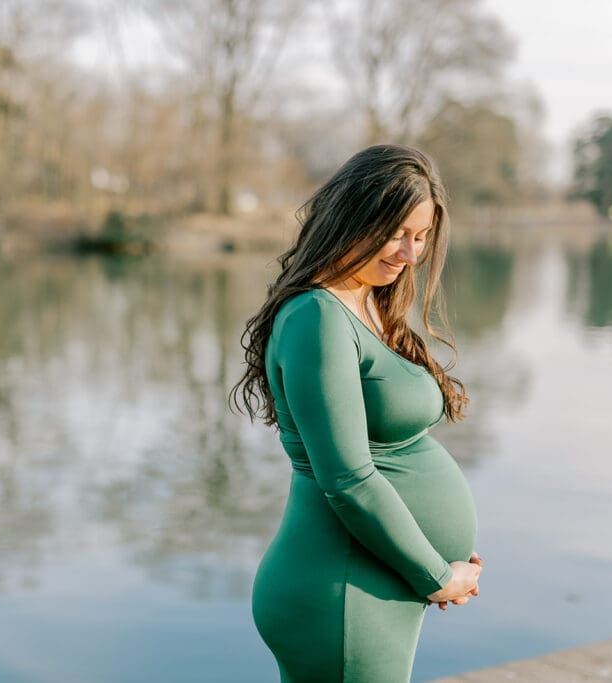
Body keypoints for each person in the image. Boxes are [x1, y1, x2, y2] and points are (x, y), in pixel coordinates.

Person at [229, 144, 483, 682]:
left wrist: (433, 559)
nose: (410, 254)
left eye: (421, 237)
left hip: (374, 580)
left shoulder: (363, 301)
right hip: (340, 593)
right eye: (397, 233)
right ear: (353, 217)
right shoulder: (316, 317)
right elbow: (347, 479)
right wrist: (436, 573)